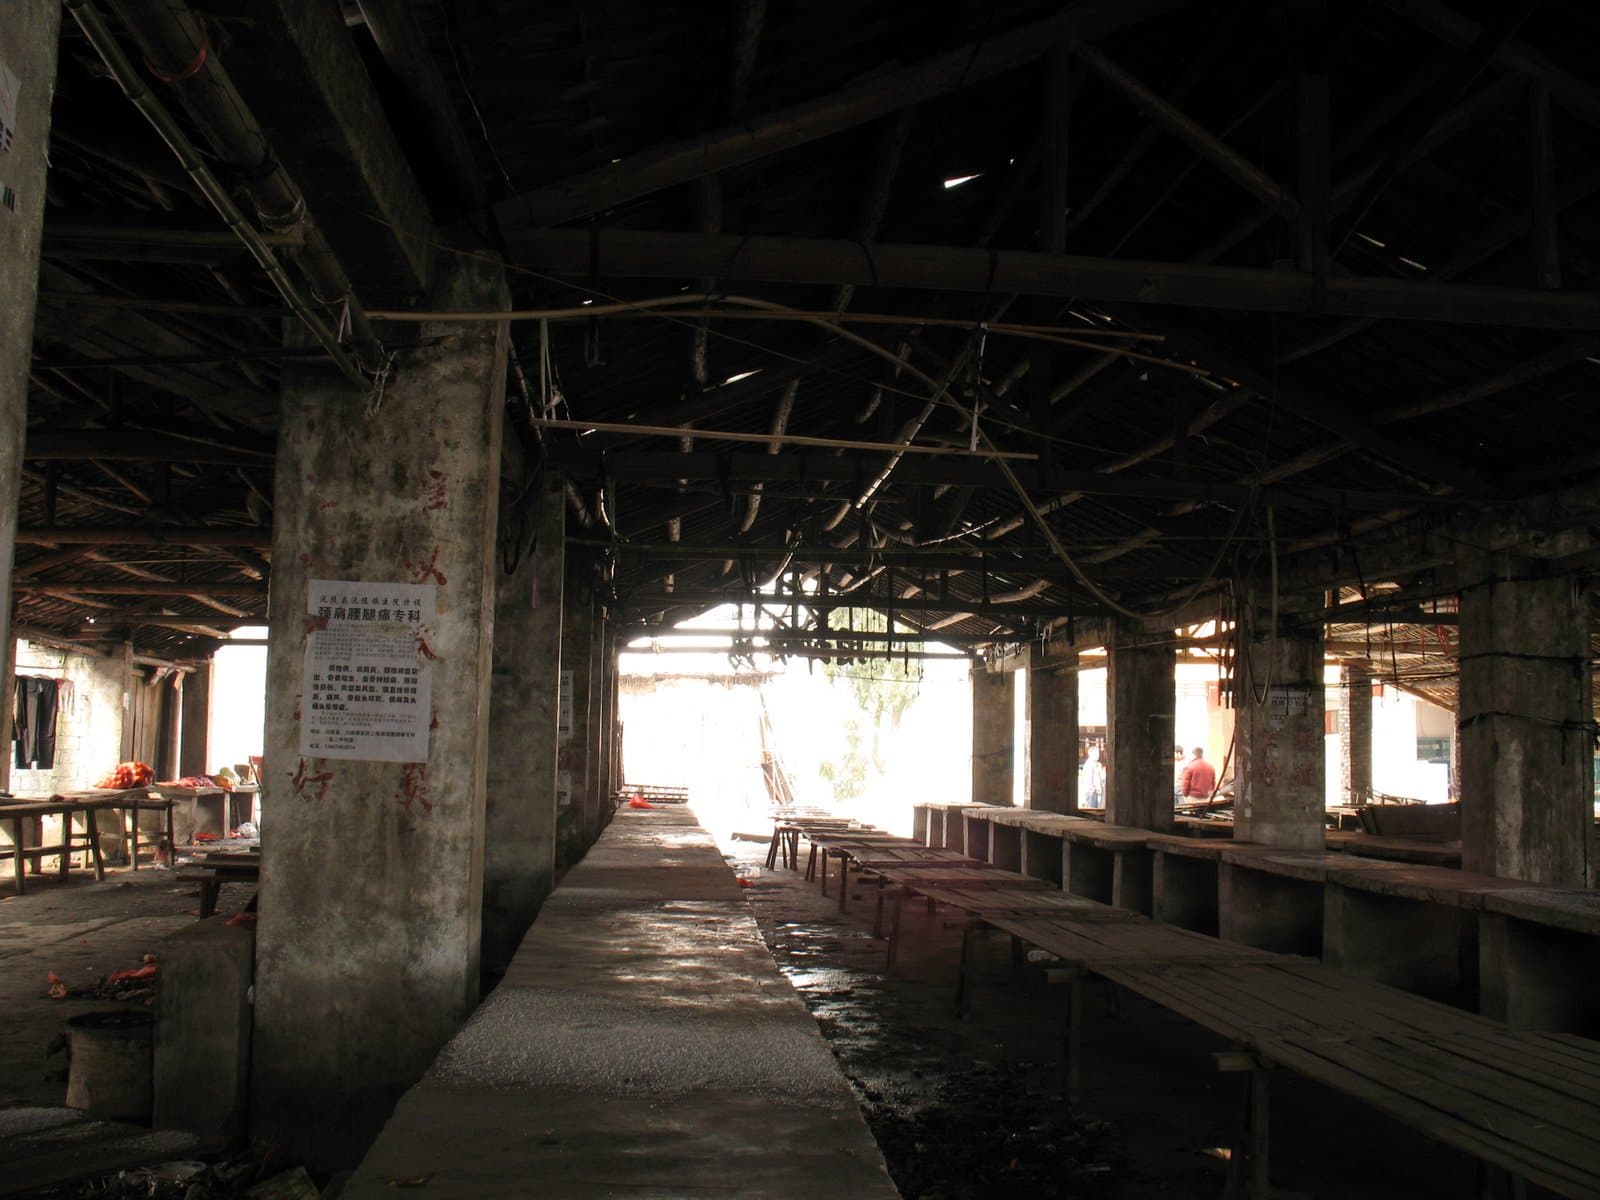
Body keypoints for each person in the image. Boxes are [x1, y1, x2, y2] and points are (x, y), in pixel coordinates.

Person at [1079, 745, 1105, 809]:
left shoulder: (1097, 764)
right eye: (1096, 753)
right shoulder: (1088, 764)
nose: (1098, 755)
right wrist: (1093, 788)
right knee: (1092, 810)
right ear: (1090, 754)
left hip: (1097, 792)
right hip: (1091, 792)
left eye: (1098, 753)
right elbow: (1088, 779)